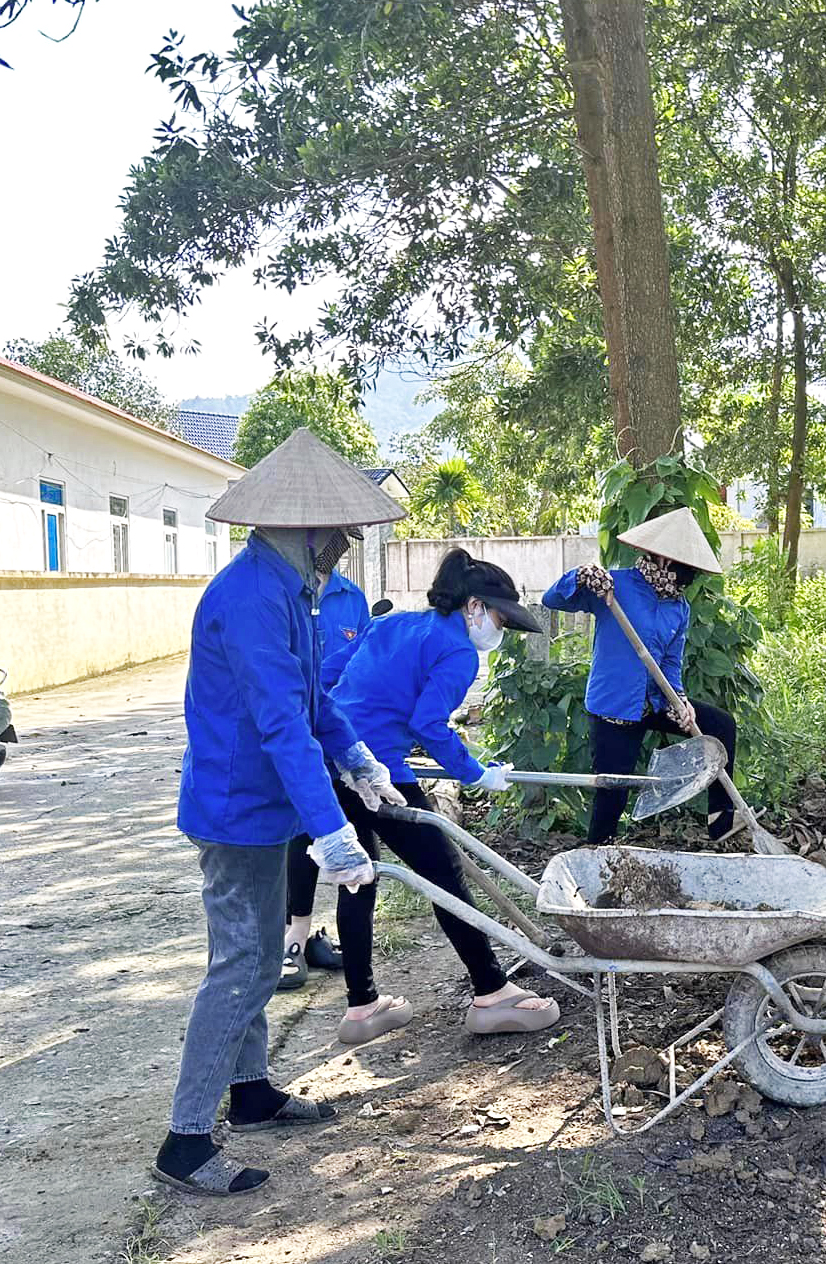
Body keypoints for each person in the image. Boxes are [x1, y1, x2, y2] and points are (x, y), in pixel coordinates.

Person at [157, 428, 407, 1197]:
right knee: (242, 965)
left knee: (261, 954)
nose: (346, 545)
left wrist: (360, 763)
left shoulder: (289, 592)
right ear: (307, 527)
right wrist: (332, 832)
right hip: (233, 809)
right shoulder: (249, 599)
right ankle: (186, 1139)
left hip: (260, 806)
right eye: (341, 534)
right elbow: (277, 725)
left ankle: (252, 1092)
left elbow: (314, 702)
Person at [323, 549, 561, 1043]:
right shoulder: (458, 651)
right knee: (445, 875)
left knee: (358, 879)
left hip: (329, 762)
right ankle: (492, 993)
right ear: (474, 607)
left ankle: (362, 1007)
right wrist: (475, 774)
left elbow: (328, 678)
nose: (499, 629)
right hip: (376, 771)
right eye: (499, 617)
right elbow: (427, 723)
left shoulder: (397, 623)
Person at [541, 508, 737, 845]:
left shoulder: (679, 607)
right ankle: (597, 852)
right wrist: (579, 576)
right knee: (613, 793)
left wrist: (681, 701)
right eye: (682, 570)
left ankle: (722, 821)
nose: (685, 579)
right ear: (661, 559)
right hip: (614, 708)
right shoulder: (613, 587)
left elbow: (671, 662)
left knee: (721, 725)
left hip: (657, 702)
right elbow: (552, 599)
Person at [278, 567, 371, 990]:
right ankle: (292, 937)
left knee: (345, 841)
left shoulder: (352, 597)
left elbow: (362, 660)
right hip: (295, 736)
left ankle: (317, 936)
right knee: (301, 837)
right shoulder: (285, 593)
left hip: (338, 731)